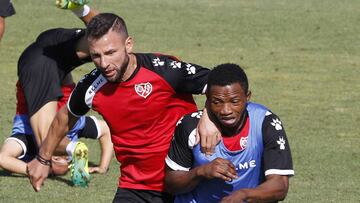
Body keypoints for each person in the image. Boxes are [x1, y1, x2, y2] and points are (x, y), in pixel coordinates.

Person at [27, 12, 211, 202]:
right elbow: (64, 118)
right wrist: (43, 158)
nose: (104, 64)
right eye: (96, 56)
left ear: (128, 45)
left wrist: (207, 119)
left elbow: (220, 83)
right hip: (135, 187)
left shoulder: (164, 70)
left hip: (183, 183)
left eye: (110, 53)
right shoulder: (92, 87)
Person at [6, 1, 113, 186]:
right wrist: (103, 166)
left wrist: (34, 167)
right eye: (65, 160)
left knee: (46, 143)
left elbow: (4, 158)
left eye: (58, 160)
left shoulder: (27, 141)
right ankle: (82, 9)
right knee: (109, 39)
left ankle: (81, 9)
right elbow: (106, 130)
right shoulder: (76, 126)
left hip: (46, 59)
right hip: (56, 60)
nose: (61, 161)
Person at [165, 63, 294, 203]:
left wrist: (245, 195)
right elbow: (171, 185)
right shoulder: (189, 126)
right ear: (208, 98)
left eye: (234, 101)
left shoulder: (266, 123)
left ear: (247, 97)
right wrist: (201, 172)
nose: (226, 110)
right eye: (217, 102)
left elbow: (280, 186)